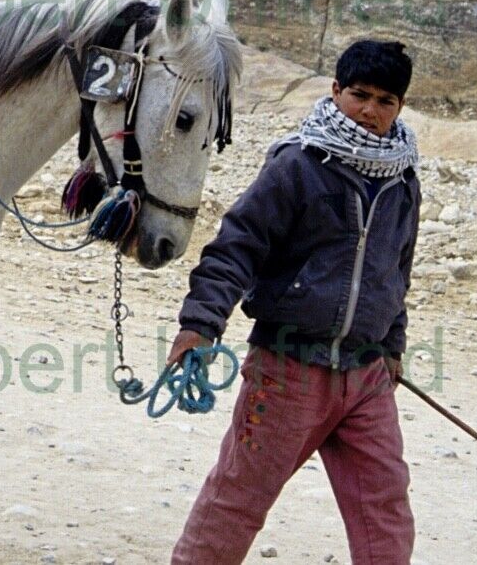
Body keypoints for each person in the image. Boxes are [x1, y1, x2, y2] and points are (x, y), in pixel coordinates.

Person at [167, 39, 422, 565]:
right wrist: (200, 324)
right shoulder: (297, 164)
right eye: (360, 95)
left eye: (385, 101)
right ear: (335, 91)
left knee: (385, 508)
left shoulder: (403, 178)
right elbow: (237, 246)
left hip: (367, 375)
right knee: (238, 499)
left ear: (400, 107)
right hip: (288, 370)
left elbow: (398, 270)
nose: (371, 111)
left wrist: (392, 346)